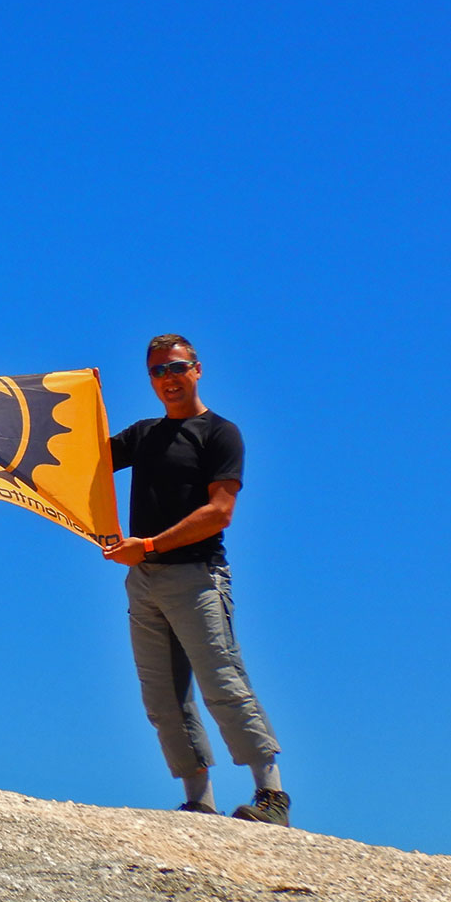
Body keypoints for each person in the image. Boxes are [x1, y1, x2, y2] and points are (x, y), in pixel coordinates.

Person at [102, 334, 291, 826]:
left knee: (221, 679)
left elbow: (220, 511)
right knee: (161, 694)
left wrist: (148, 545)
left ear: (198, 369)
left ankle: (271, 796)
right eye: (158, 371)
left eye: (176, 367)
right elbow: (82, 460)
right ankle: (198, 801)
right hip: (143, 581)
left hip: (197, 576)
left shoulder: (219, 433)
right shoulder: (144, 435)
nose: (168, 378)